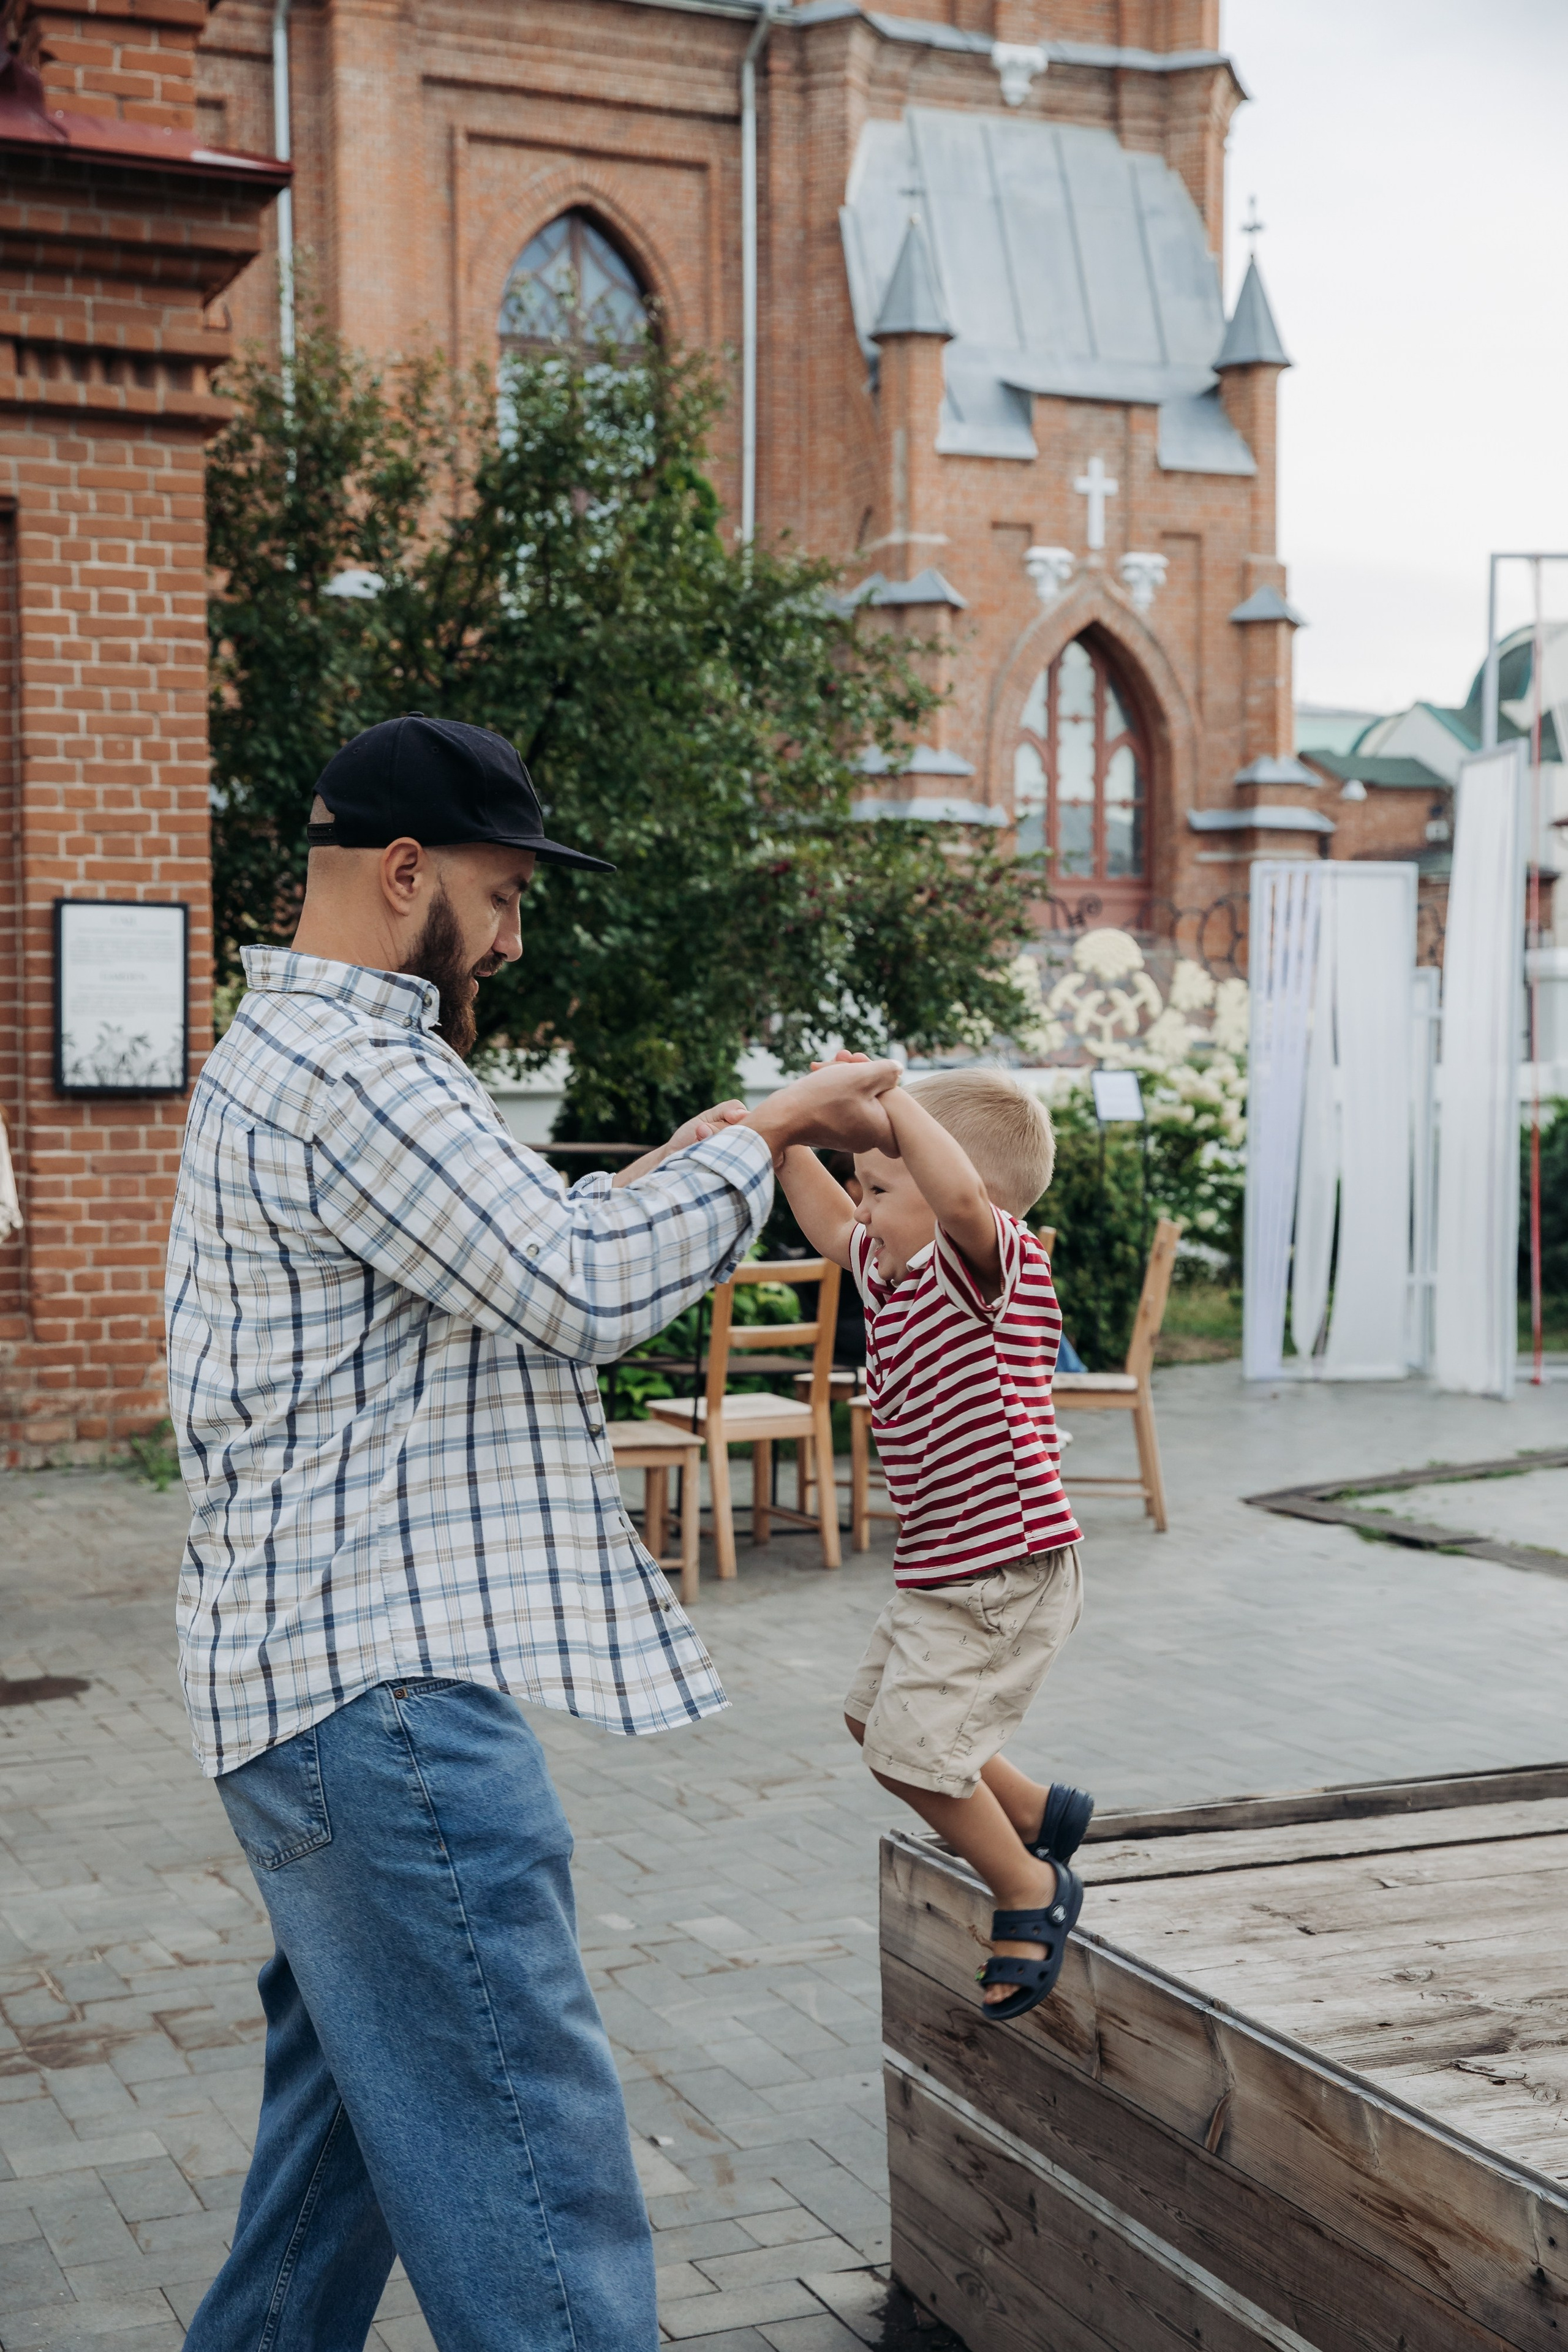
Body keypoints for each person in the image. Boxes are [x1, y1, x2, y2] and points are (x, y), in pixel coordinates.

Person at [167, 714, 901, 2352]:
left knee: (344, 2158)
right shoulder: (355, 1071)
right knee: (529, 2149)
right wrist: (774, 1131)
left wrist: (716, 1149)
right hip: (384, 1703)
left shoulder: (297, 1055)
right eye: (499, 896)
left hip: (306, 1692)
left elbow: (521, 1247)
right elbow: (576, 1288)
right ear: (404, 871)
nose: (508, 939)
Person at [778, 1065, 1091, 2022]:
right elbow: (830, 1226)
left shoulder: (987, 1267)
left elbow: (953, 1198)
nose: (863, 1211)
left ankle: (1031, 1886)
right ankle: (1033, 1811)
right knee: (873, 1721)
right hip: (944, 1569)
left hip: (1006, 1565)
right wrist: (780, 1134)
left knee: (909, 1755)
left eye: (879, 1188)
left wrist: (891, 1105)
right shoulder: (893, 1273)